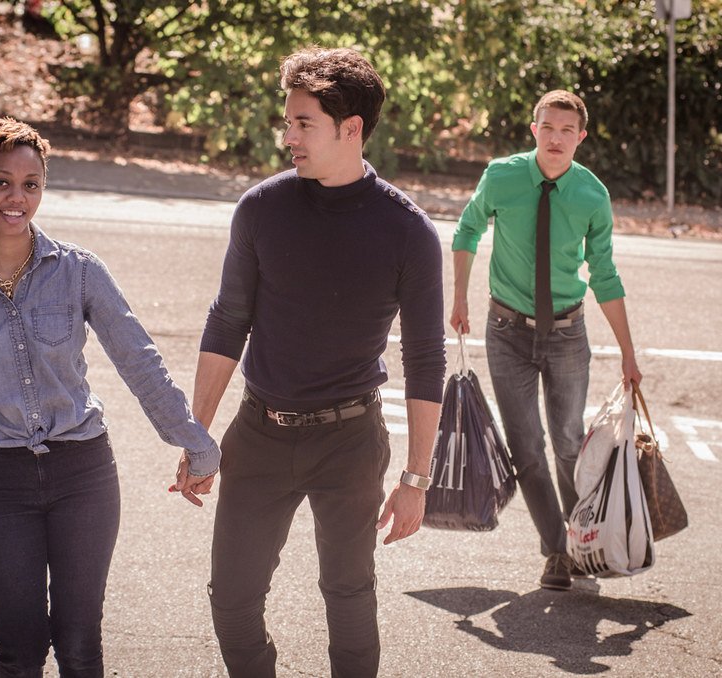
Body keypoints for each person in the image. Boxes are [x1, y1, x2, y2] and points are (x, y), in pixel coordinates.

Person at [174, 47, 446, 677]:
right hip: (259, 432)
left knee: (349, 598)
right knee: (232, 600)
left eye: (303, 123)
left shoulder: (408, 231)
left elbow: (425, 359)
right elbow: (227, 321)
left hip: (349, 441)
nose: (288, 137)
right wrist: (197, 435)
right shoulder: (261, 208)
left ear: (351, 129)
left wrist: (416, 479)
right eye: (287, 122)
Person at [0, 117, 220, 677]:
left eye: (30, 184)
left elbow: (138, 359)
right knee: (17, 647)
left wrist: (195, 441)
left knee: (80, 642)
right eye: (1, 183)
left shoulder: (79, 271)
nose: (16, 198)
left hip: (83, 473)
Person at [449, 90, 642, 591]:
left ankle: (584, 539)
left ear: (581, 137)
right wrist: (460, 297)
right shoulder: (502, 176)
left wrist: (628, 353)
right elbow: (467, 229)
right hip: (506, 331)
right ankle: (557, 550)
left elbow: (605, 274)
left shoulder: (592, 195)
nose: (556, 139)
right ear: (534, 130)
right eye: (548, 128)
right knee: (527, 448)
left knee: (568, 443)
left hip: (566, 333)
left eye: (566, 131)